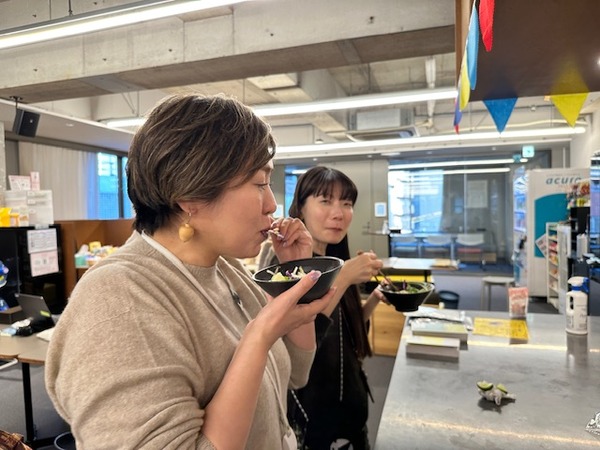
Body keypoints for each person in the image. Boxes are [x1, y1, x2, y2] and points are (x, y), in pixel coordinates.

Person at [45, 94, 335, 449]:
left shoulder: (225, 270)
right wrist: (257, 338)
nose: (272, 204)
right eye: (260, 183)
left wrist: (296, 276)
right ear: (190, 196)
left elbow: (296, 375)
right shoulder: (118, 298)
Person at [260, 166, 386, 449]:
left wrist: (375, 298)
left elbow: (348, 328)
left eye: (347, 203)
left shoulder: (335, 258)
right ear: (301, 208)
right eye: (326, 201)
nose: (339, 213)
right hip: (311, 412)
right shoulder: (285, 263)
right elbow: (298, 342)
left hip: (350, 404)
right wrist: (344, 277)